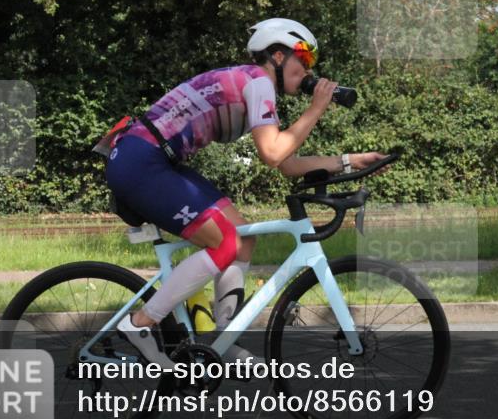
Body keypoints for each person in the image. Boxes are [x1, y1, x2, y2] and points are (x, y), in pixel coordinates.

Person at [101, 18, 388, 368]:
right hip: (142, 161)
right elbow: (273, 154)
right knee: (225, 242)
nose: (309, 69)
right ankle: (141, 323)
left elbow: (286, 162)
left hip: (152, 160)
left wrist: (349, 161)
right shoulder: (258, 83)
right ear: (278, 56)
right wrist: (316, 109)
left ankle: (222, 341)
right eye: (304, 60)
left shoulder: (255, 85)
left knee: (243, 239)